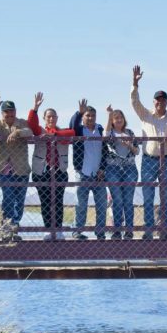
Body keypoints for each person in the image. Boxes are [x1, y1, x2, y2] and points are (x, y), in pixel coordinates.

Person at [131, 65, 167, 240]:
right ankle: (148, 230)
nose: (160, 102)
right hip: (148, 160)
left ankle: (164, 230)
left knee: (166, 196)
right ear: (154, 102)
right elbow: (134, 102)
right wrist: (135, 84)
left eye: (163, 100)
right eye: (157, 100)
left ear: (166, 102)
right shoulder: (146, 115)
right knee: (148, 196)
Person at [0, 94, 33, 241]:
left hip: (21, 168)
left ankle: (15, 227)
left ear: (15, 112)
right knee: (8, 197)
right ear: (2, 113)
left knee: (20, 199)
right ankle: (6, 227)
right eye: (6, 112)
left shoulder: (22, 123)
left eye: (12, 111)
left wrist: (17, 132)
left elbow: (30, 132)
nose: (9, 114)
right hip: (4, 168)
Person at [28, 92, 75, 240]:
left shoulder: (62, 132)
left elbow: (72, 132)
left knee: (58, 200)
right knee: (45, 200)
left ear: (57, 118)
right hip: (41, 171)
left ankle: (58, 229)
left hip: (59, 170)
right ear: (44, 118)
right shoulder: (39, 132)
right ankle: (48, 229)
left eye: (53, 116)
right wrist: (35, 108)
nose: (51, 119)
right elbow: (31, 125)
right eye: (48, 116)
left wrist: (54, 134)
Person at [70, 99, 109, 240]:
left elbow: (105, 151)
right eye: (87, 115)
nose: (90, 118)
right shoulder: (79, 130)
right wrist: (79, 113)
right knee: (81, 204)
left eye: (93, 115)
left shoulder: (99, 130)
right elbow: (72, 125)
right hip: (83, 173)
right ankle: (77, 231)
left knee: (102, 205)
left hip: (98, 174)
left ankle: (100, 233)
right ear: (83, 117)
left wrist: (103, 169)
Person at [104, 106, 139, 240]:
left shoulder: (130, 132)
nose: (119, 120)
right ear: (112, 121)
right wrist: (108, 114)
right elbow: (105, 135)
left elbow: (137, 151)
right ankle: (117, 231)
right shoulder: (110, 133)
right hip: (113, 169)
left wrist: (129, 145)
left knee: (128, 201)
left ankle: (129, 231)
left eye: (121, 117)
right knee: (117, 200)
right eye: (116, 118)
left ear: (124, 119)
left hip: (130, 169)